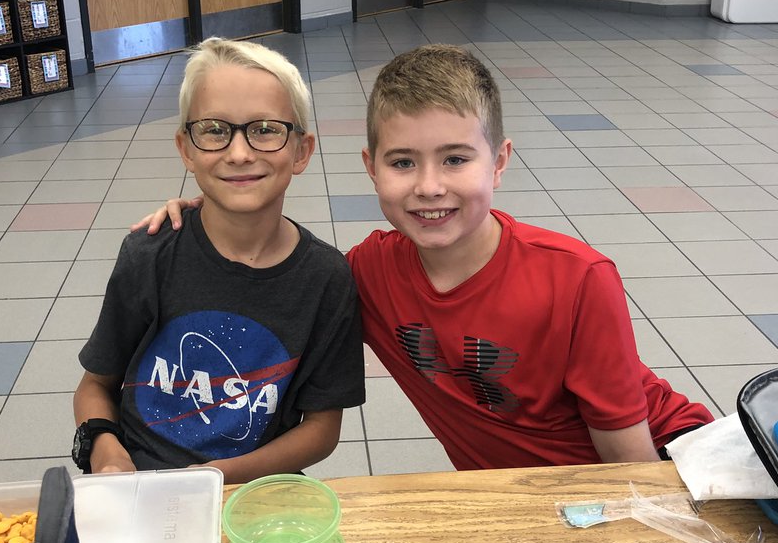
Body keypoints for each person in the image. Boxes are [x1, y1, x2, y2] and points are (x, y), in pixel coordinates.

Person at [136, 43, 712, 471]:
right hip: (516, 501)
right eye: (404, 162)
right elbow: (270, 278)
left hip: (672, 466)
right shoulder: (365, 273)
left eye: (457, 159)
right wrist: (214, 209)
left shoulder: (577, 279)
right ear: (371, 168)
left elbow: (630, 468)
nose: (430, 187)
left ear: (501, 161)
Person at [73, 37, 364, 478]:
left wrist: (216, 477)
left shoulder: (326, 278)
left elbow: (322, 428)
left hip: (255, 492)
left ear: (301, 151)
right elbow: (96, 385)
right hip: (140, 481)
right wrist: (107, 453)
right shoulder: (149, 254)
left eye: (266, 129)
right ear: (187, 148)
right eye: (214, 129)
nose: (240, 152)